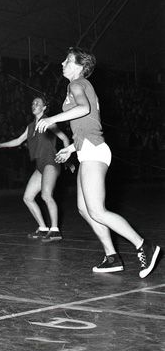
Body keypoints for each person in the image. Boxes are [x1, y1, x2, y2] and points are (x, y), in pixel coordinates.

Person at [36, 47, 160, 278]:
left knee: (97, 210)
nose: (62, 63)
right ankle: (112, 257)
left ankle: (144, 245)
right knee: (85, 209)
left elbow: (84, 109)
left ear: (80, 66)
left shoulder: (77, 84)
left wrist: (52, 118)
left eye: (67, 60)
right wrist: (70, 148)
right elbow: (89, 123)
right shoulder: (80, 86)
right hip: (88, 150)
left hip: (94, 151)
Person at [0, 96, 70, 241]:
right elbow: (18, 141)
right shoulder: (31, 126)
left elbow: (64, 139)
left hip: (50, 162)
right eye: (33, 103)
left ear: (44, 107)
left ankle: (55, 230)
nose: (34, 105)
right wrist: (1, 145)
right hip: (40, 165)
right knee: (28, 197)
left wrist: (67, 158)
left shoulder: (49, 122)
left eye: (37, 103)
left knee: (46, 195)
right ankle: (43, 228)